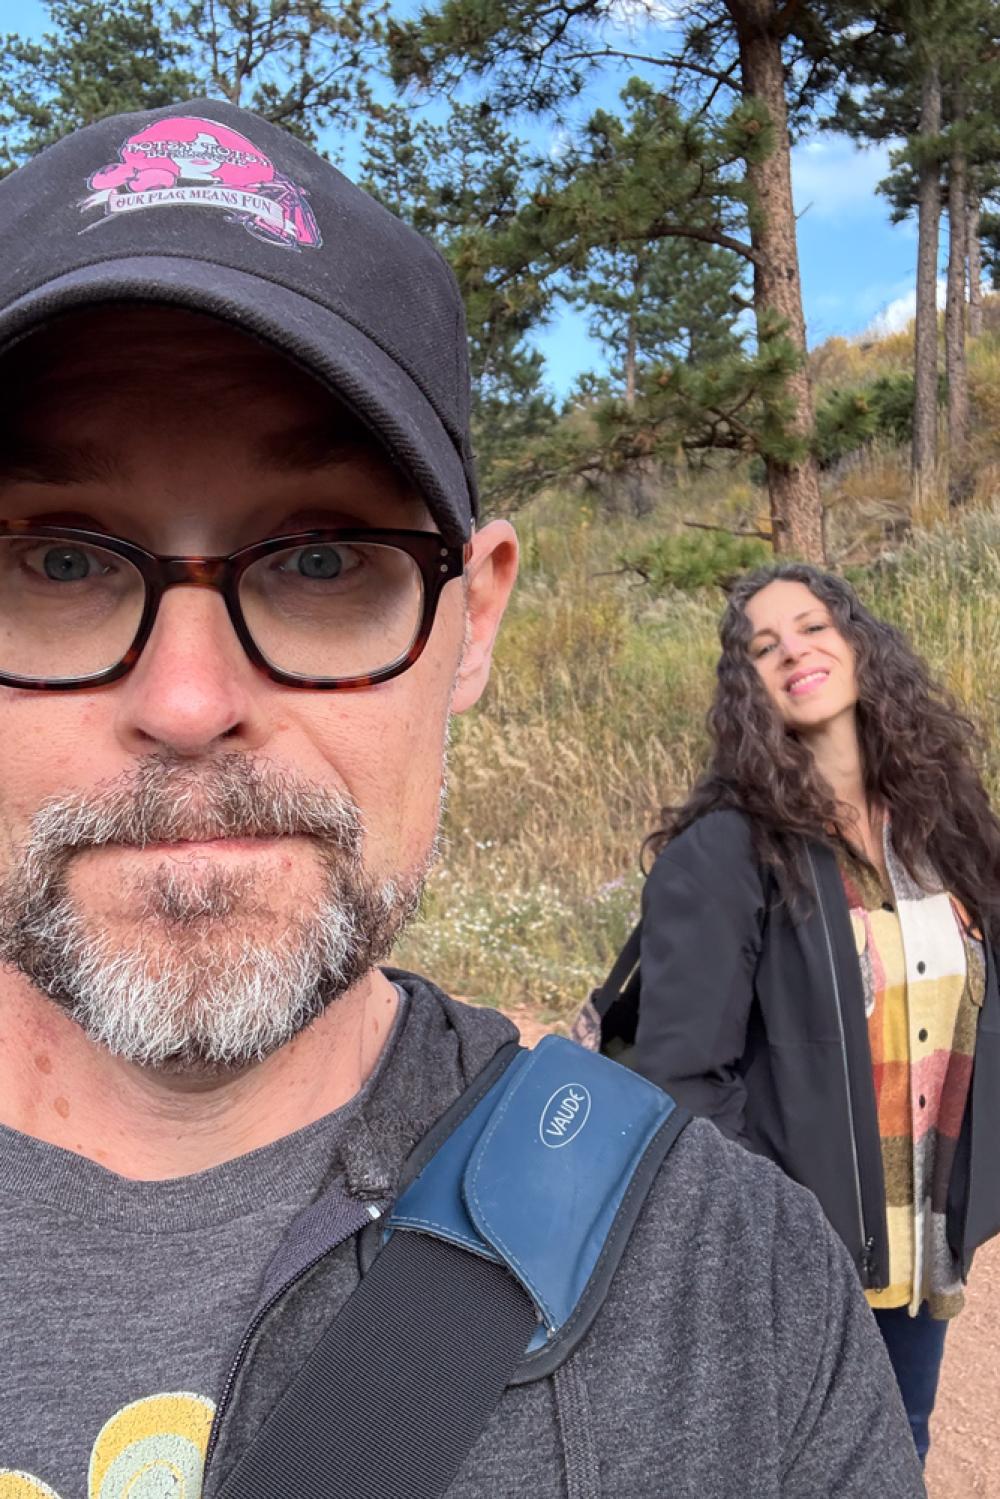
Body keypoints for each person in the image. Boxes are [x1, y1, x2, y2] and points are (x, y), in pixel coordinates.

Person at [0, 102, 923, 1499]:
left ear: (473, 620)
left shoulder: (738, 1305)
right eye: (61, 563)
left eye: (319, 559)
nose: (188, 703)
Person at [632, 560, 1000, 1468]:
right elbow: (681, 1074)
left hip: (921, 1242)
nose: (793, 649)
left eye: (811, 626)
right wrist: (781, 1229)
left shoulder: (943, 827)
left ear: (858, 644)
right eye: (764, 645)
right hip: (800, 1259)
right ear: (747, 687)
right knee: (780, 1467)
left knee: (898, 1447)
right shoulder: (729, 850)